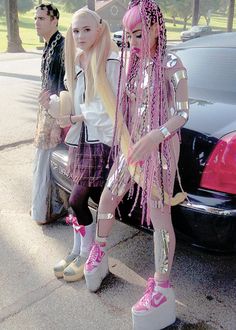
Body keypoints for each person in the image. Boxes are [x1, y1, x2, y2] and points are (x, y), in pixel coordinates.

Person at [84, 1, 189, 329]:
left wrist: (154, 137)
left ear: (157, 28)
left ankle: (161, 285)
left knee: (160, 216)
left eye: (139, 34)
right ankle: (99, 249)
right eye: (128, 35)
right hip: (132, 147)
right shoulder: (130, 63)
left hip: (160, 151)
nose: (133, 41)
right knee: (107, 197)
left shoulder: (173, 64)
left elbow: (183, 113)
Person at [46, 9, 120, 282]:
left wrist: (79, 117)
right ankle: (80, 251)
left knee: (79, 200)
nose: (80, 35)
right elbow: (75, 103)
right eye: (76, 31)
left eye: (86, 29)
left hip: (101, 142)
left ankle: (89, 253)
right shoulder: (78, 59)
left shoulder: (111, 60)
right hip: (81, 139)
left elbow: (111, 109)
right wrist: (53, 105)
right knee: (88, 202)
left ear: (99, 29)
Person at [32, 3, 65, 225]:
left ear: (54, 21)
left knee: (49, 162)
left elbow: (66, 87)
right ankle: (49, 209)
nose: (36, 22)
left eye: (42, 18)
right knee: (43, 160)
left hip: (56, 113)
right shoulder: (48, 45)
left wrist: (58, 121)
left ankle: (49, 211)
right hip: (45, 111)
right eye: (35, 18)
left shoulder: (63, 47)